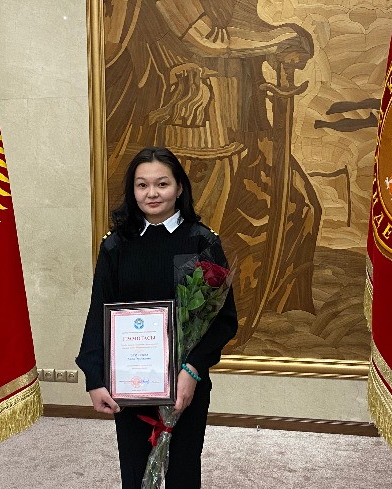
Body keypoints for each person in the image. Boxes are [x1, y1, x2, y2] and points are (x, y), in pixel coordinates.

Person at [76, 146, 238, 489]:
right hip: (130, 383)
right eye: (142, 185)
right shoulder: (115, 245)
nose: (152, 193)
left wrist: (192, 370)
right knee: (135, 473)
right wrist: (94, 377)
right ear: (132, 191)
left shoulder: (202, 242)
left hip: (185, 383)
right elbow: (98, 311)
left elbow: (223, 319)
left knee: (183, 472)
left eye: (162, 184)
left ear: (179, 188)